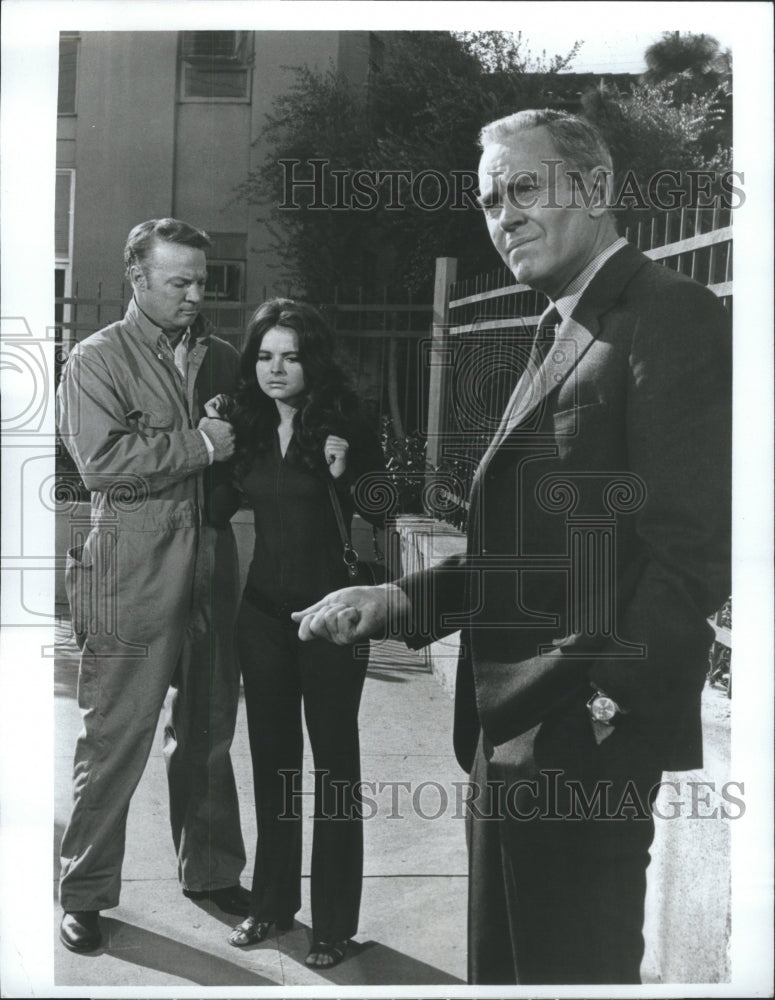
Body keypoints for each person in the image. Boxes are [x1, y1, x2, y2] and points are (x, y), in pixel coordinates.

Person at [292, 110, 732, 984]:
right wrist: (401, 601)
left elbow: (692, 551)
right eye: (491, 201)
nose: (504, 217)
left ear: (597, 189)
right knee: (507, 970)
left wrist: (604, 710)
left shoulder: (665, 314)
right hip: (510, 732)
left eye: (524, 189)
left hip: (576, 742)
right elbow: (542, 552)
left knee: (565, 968)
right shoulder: (563, 324)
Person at [56, 218, 249, 953]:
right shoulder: (96, 359)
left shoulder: (223, 358)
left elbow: (247, 452)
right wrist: (200, 444)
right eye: (180, 282)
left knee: (207, 732)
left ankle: (210, 872)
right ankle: (85, 890)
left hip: (210, 562)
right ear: (138, 279)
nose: (196, 295)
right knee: (115, 735)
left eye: (203, 281)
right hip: (129, 569)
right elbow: (103, 461)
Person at [224, 299, 385, 969]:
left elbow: (387, 503)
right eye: (264, 355)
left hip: (331, 618)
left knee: (335, 768)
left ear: (311, 360)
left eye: (289, 355)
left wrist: (352, 468)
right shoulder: (247, 426)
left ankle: (334, 926)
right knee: (273, 764)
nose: (275, 368)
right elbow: (214, 502)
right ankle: (270, 905)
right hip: (260, 615)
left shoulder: (345, 423)